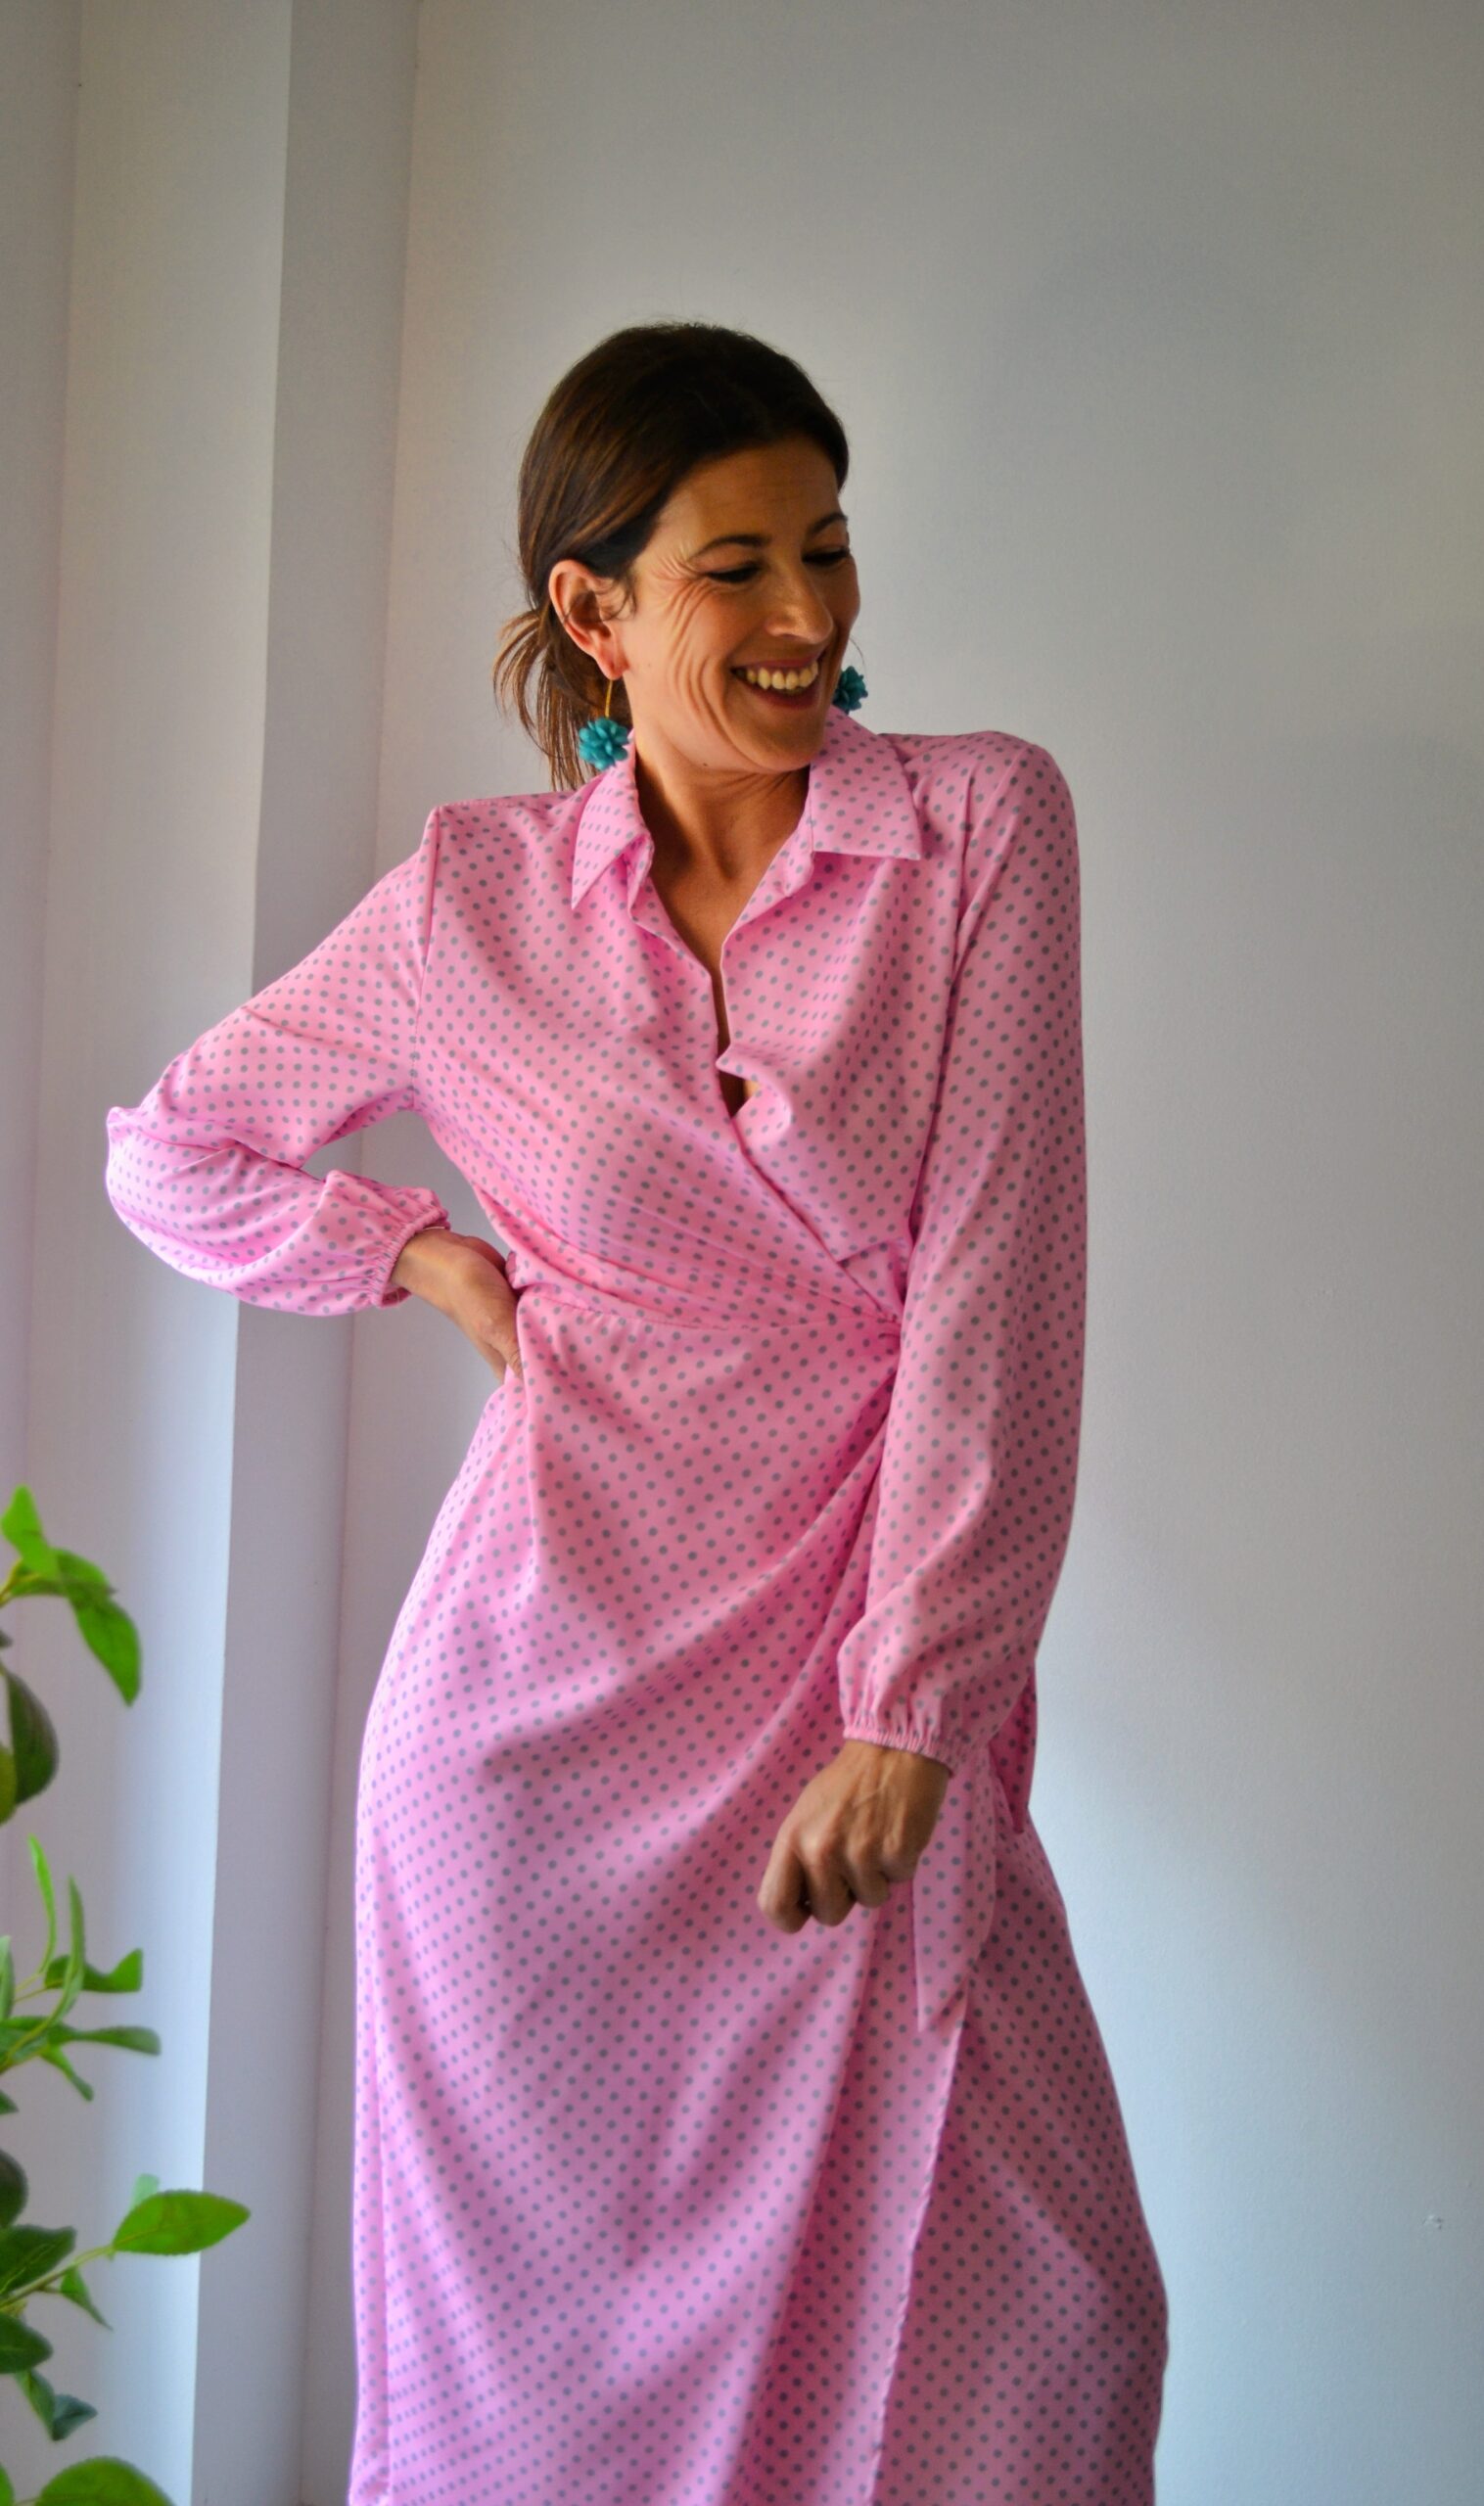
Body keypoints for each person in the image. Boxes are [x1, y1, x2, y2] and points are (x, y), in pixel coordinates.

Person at [104, 320, 1169, 2504]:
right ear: (594, 612)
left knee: (1045, 2324)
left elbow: (997, 1289)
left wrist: (913, 1705)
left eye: (828, 548)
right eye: (736, 567)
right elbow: (172, 1147)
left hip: (847, 1701)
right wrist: (420, 1253)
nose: (806, 616)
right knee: (536, 2382)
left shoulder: (976, 828)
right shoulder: (471, 903)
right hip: (530, 1737)